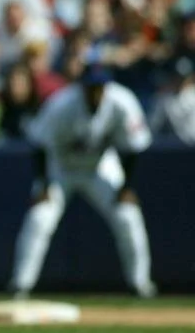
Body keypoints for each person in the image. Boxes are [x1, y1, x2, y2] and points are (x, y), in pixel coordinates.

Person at [8, 63, 157, 299]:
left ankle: (141, 283)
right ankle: (21, 284)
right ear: (81, 87)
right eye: (91, 87)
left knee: (128, 216)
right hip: (59, 169)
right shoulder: (61, 104)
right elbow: (39, 145)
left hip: (100, 167)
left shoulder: (122, 102)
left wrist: (126, 187)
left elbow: (134, 147)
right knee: (39, 218)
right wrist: (44, 184)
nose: (95, 92)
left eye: (99, 87)